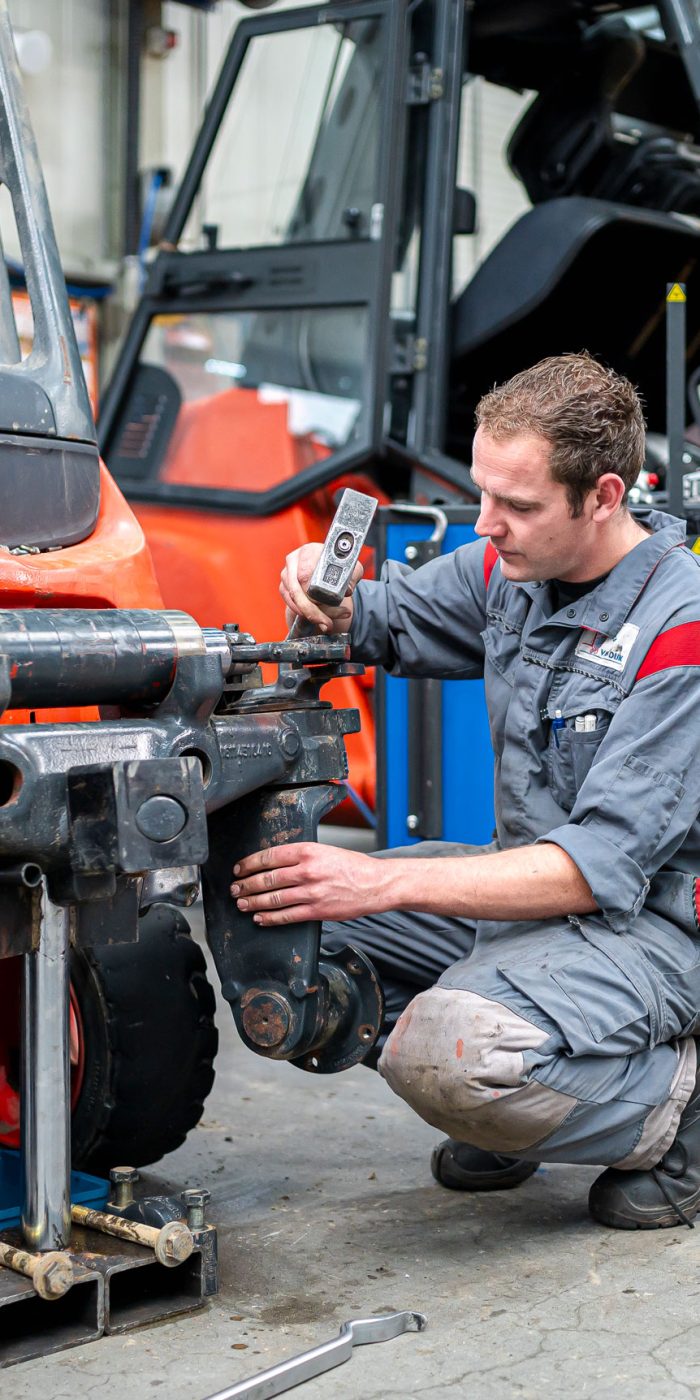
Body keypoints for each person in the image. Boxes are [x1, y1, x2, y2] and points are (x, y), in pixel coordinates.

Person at [230, 352, 700, 1230]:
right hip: (530, 903)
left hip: (656, 928)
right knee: (287, 922)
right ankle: (527, 1092)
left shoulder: (682, 632)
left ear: (603, 496)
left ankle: (677, 1106)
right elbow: (389, 616)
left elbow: (593, 869)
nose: (486, 524)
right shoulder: (510, 572)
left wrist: (382, 878)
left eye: (517, 506)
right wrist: (326, 594)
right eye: (482, 493)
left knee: (452, 1050)